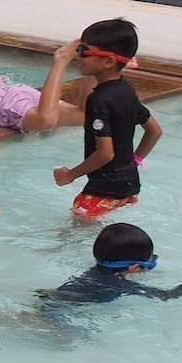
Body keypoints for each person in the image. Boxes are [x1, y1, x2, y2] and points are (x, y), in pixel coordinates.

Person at [54, 18, 160, 218]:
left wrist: (70, 175)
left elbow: (105, 154)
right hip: (130, 187)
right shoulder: (126, 89)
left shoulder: (98, 100)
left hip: (103, 191)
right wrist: (134, 161)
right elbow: (155, 131)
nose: (78, 57)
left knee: (76, 230)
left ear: (109, 61)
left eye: (84, 51)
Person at [40, 223, 182, 309]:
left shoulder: (95, 272)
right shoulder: (120, 284)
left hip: (53, 300)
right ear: (135, 268)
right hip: (59, 314)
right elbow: (165, 296)